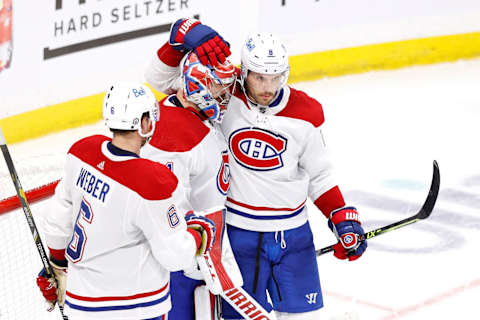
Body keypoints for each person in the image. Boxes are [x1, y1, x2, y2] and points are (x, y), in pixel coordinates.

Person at [146, 20, 368, 320]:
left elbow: (320, 174)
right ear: (244, 72)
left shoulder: (305, 114)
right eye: (260, 77)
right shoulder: (223, 95)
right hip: (239, 234)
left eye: (275, 78)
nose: (268, 87)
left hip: (294, 232)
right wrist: (179, 37)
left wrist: (340, 214)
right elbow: (164, 81)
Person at [35, 82, 216, 320]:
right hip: (134, 305)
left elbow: (58, 218)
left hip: (82, 303)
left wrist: (58, 264)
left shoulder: (82, 152)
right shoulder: (152, 181)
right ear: (143, 123)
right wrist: (198, 234)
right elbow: (174, 256)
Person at [143, 18, 242, 320]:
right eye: (217, 86)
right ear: (197, 84)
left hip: (202, 250)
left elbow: (157, 76)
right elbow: (166, 206)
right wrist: (195, 257)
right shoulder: (172, 135)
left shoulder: (186, 105)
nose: (225, 95)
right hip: (181, 264)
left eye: (226, 86)